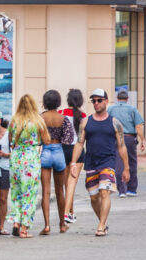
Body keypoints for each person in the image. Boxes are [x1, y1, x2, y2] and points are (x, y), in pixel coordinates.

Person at [69, 88, 128, 237]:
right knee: (94, 197)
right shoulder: (86, 121)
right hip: (91, 163)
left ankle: (101, 226)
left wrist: (126, 168)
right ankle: (103, 221)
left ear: (106, 102)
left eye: (99, 100)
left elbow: (121, 146)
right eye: (93, 101)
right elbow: (79, 143)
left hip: (108, 162)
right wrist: (73, 163)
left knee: (104, 193)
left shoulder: (114, 123)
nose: (96, 103)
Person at [8, 94, 49, 239]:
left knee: (16, 192)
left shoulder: (14, 121)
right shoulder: (38, 121)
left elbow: (10, 141)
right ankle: (24, 229)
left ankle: (16, 222)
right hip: (31, 158)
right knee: (29, 194)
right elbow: (46, 140)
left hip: (16, 158)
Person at [40, 90, 74, 234]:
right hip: (59, 151)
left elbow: (35, 136)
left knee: (46, 192)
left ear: (45, 102)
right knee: (60, 191)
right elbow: (69, 139)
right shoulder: (64, 118)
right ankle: (62, 224)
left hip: (45, 151)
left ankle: (47, 225)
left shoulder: (40, 118)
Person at [106, 90, 145, 197]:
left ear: (117, 98)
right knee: (132, 162)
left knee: (119, 162)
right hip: (129, 138)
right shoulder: (132, 109)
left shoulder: (110, 109)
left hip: (115, 138)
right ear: (127, 99)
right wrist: (143, 140)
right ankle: (131, 189)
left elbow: (107, 122)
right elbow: (138, 126)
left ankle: (122, 190)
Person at [60, 89, 85, 224]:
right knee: (72, 184)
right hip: (79, 150)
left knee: (66, 184)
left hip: (63, 149)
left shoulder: (61, 113)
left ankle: (70, 212)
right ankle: (67, 213)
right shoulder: (84, 116)